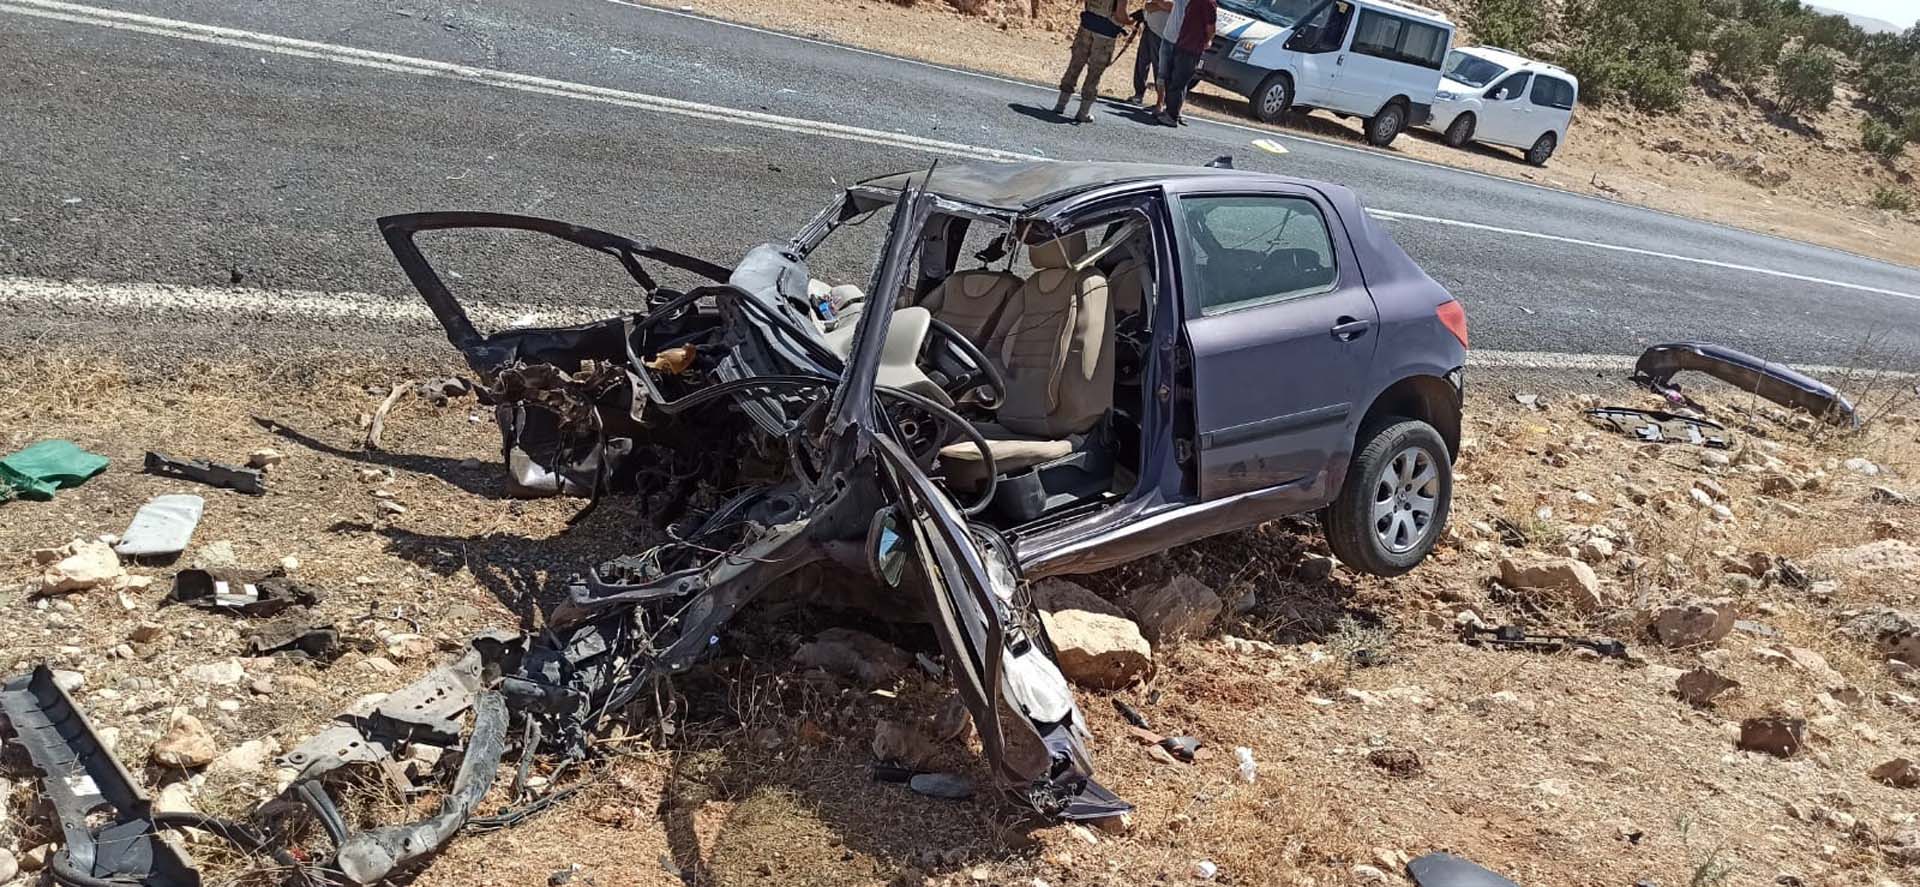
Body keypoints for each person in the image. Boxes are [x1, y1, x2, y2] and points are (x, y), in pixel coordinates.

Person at [1053, 0, 1130, 124]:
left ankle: (1060, 105)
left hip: (1087, 25)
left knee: (1075, 65)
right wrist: (1131, 20)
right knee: (1094, 72)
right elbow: (1120, 15)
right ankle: (1083, 113)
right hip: (1105, 33)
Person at [1156, 0, 1214, 126]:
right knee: (1172, 80)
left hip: (1191, 48)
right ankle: (1169, 111)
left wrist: (1208, 41)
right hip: (1181, 44)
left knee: (1179, 82)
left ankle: (1172, 116)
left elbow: (1211, 26)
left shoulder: (1207, 3)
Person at [1127, 0, 1173, 107]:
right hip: (1149, 29)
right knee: (1141, 63)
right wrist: (1161, 5)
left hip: (1162, 35)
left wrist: (1159, 4)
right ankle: (1138, 94)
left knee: (1159, 68)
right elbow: (1148, 6)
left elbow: (1172, 7)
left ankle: (1161, 101)